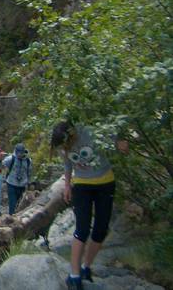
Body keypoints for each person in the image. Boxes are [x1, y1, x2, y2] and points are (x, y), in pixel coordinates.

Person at [51, 121, 128, 290]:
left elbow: (111, 136)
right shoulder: (62, 145)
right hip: (82, 186)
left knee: (101, 229)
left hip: (105, 182)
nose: (66, 147)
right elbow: (67, 164)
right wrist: (67, 185)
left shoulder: (89, 132)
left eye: (67, 143)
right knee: (82, 229)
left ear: (72, 134)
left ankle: (86, 266)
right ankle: (74, 275)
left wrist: (121, 144)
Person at [2, 143, 31, 214]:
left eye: (21, 152)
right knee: (12, 203)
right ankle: (11, 218)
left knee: (19, 204)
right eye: (18, 152)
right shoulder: (11, 158)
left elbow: (29, 172)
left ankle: (16, 218)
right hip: (11, 184)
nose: (19, 154)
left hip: (22, 185)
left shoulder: (28, 161)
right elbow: (0, 166)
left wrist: (28, 182)